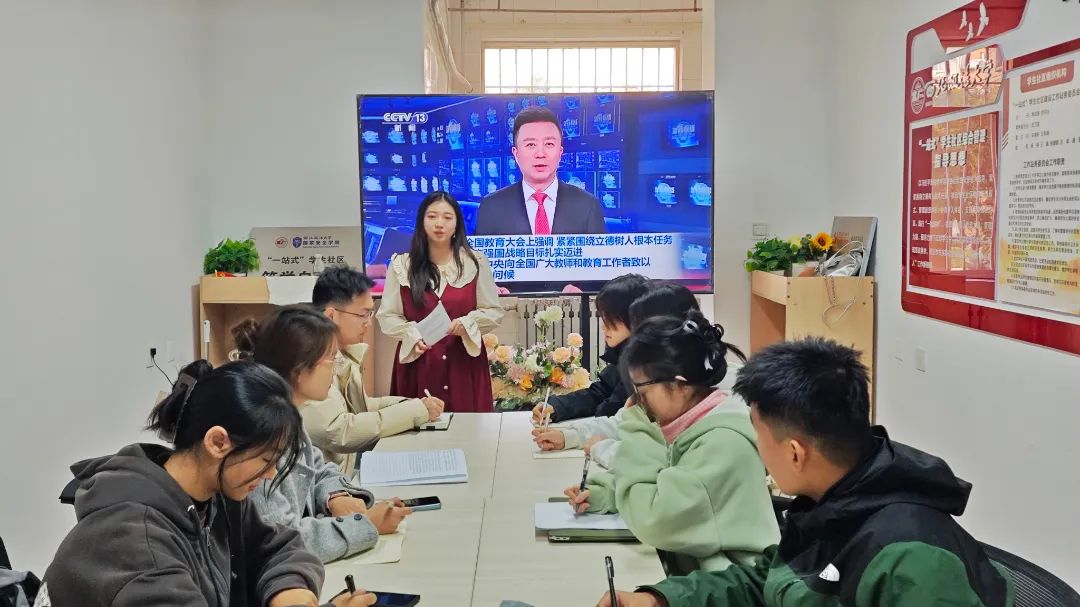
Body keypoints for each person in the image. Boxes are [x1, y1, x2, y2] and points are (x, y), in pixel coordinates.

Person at [598, 338, 1015, 607]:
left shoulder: (913, 559)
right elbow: (766, 581)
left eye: (759, 436)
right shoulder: (831, 501)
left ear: (795, 453)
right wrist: (661, 599)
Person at [38, 360, 377, 607]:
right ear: (217, 442)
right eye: (266, 459)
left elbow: (279, 547)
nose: (271, 474)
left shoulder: (214, 495)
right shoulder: (136, 542)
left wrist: (291, 593)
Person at [566, 310, 778, 576]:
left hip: (734, 584)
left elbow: (653, 520)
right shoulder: (693, 423)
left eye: (642, 390)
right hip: (700, 576)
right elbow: (665, 479)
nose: (636, 401)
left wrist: (638, 428)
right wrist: (608, 494)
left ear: (680, 385)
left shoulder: (723, 443)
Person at [233, 306, 411, 563]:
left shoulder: (289, 414)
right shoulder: (258, 436)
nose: (335, 369)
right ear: (299, 369)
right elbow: (279, 539)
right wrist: (366, 524)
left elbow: (320, 468)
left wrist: (335, 496)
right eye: (331, 359)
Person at [532, 281, 706, 469]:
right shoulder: (655, 372)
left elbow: (662, 464)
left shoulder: (703, 402)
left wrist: (602, 449)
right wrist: (569, 436)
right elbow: (623, 421)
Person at [302, 266, 445, 476]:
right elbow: (340, 431)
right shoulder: (309, 359)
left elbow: (362, 406)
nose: (368, 324)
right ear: (332, 315)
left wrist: (412, 404)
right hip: (322, 488)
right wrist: (416, 411)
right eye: (363, 315)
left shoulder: (341, 354)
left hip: (340, 480)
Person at [376, 191, 505, 412]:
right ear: (421, 221)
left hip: (463, 364)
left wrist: (467, 324)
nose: (439, 223)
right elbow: (388, 315)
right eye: (432, 216)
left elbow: (493, 311)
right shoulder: (402, 265)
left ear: (457, 224)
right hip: (418, 363)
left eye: (447, 217)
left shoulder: (475, 263)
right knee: (417, 424)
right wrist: (412, 334)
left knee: (468, 425)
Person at [530, 273, 650, 431]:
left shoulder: (647, 363)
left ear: (634, 318)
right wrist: (556, 406)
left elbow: (610, 412)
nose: (603, 326)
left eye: (611, 319)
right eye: (603, 318)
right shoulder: (625, 353)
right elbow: (600, 392)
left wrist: (569, 435)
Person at [475, 106, 607, 236]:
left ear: (560, 152)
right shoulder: (491, 206)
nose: (540, 154)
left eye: (549, 144)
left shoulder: (588, 205)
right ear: (516, 154)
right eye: (530, 144)